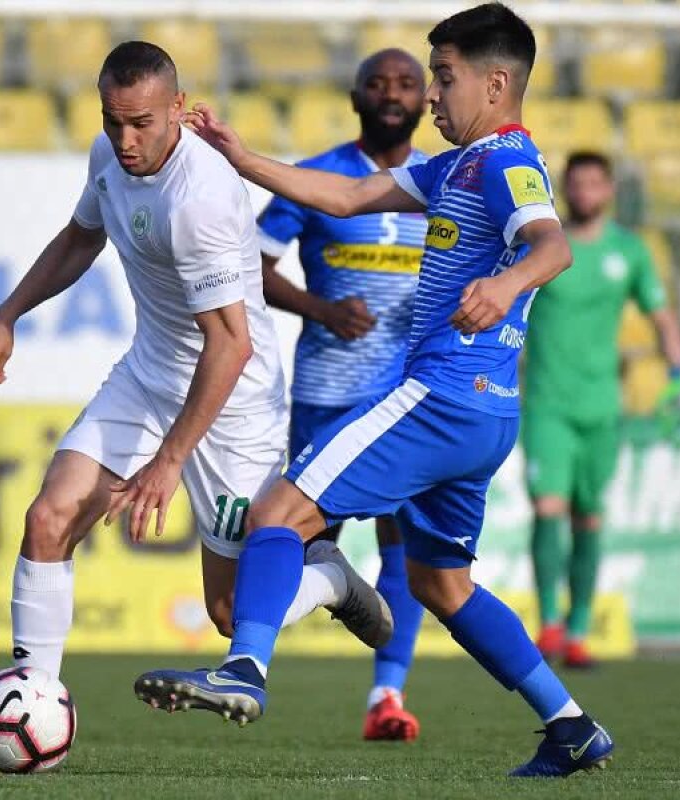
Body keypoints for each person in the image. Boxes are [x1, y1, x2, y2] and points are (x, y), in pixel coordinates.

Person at [135, 4, 616, 778]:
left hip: (443, 397)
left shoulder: (504, 162)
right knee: (440, 584)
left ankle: (244, 668)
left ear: (496, 84)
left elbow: (552, 245)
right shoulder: (457, 166)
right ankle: (571, 726)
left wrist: (504, 286)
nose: (433, 95)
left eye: (445, 78)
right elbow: (347, 197)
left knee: (277, 512)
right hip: (486, 413)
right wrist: (243, 157)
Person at [0, 41, 388, 769]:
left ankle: (328, 579)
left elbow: (231, 345)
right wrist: (8, 313)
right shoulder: (110, 157)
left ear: (178, 109)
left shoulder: (201, 199)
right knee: (49, 518)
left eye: (142, 123)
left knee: (229, 613)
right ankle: (33, 702)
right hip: (149, 376)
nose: (126, 139)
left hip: (233, 405)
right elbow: (80, 238)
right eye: (113, 121)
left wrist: (168, 462)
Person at [256, 47, 429, 742]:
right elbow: (252, 264)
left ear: (425, 100)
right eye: (377, 83)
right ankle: (252, 667)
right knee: (302, 542)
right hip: (327, 391)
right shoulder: (319, 176)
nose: (392, 94)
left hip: (407, 397)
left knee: (404, 542)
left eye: (407, 83)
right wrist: (321, 309)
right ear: (356, 98)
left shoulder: (442, 180)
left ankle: (387, 695)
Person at [524, 151, 680, 669]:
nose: (585, 192)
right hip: (547, 402)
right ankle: (549, 625)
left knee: (589, 516)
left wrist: (679, 375)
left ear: (610, 189)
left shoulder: (629, 251)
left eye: (595, 183)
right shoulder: (546, 245)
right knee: (547, 507)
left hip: (601, 407)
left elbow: (661, 315)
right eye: (576, 184)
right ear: (565, 189)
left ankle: (578, 631)